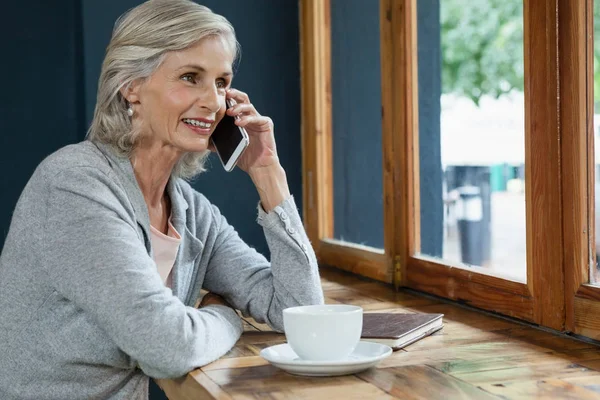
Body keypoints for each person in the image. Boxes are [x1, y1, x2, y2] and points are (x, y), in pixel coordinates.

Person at [0, 1, 324, 399]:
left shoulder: (190, 211)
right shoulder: (74, 185)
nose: (214, 101)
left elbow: (301, 311)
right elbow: (168, 348)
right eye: (191, 77)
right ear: (131, 86)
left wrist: (268, 173)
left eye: (222, 82)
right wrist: (225, 315)